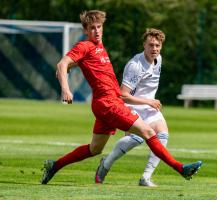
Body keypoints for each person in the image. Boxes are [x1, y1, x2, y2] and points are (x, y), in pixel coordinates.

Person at [41, 10, 202, 185]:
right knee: (148, 131)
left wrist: (69, 69)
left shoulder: (99, 48)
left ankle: (54, 165)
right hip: (108, 103)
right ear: (86, 31)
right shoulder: (84, 46)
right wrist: (66, 89)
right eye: (92, 28)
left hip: (105, 103)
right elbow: (62, 64)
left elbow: (71, 66)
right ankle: (180, 169)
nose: (96, 31)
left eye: (99, 27)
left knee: (95, 149)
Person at [96, 28, 171, 187]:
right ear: (144, 44)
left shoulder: (159, 59)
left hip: (149, 107)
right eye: (151, 45)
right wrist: (148, 102)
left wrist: (150, 102)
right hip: (133, 106)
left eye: (157, 45)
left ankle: (146, 177)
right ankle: (106, 163)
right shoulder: (135, 65)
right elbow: (123, 95)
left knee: (163, 134)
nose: (154, 49)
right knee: (136, 139)